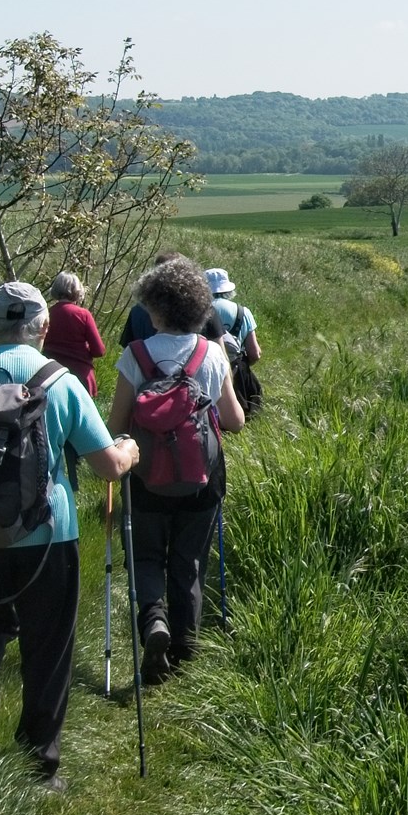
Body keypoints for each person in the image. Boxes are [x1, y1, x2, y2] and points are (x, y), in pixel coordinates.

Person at [0, 281, 140, 789]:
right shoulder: (61, 381)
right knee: (49, 643)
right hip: (49, 537)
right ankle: (39, 762)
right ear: (43, 327)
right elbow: (108, 467)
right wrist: (130, 449)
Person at [109, 257, 246, 684]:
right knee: (189, 561)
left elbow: (115, 425)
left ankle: (154, 620)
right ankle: (185, 650)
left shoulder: (136, 355)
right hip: (201, 477)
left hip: (145, 475)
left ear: (154, 308)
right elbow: (235, 420)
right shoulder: (211, 354)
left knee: (147, 554)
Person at [204, 266, 264, 417]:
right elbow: (254, 353)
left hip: (206, 373)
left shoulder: (199, 311)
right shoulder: (243, 312)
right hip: (238, 373)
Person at [42, 271, 105, 395]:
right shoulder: (83, 314)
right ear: (77, 291)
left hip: (51, 376)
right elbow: (99, 351)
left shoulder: (46, 313)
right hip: (80, 377)